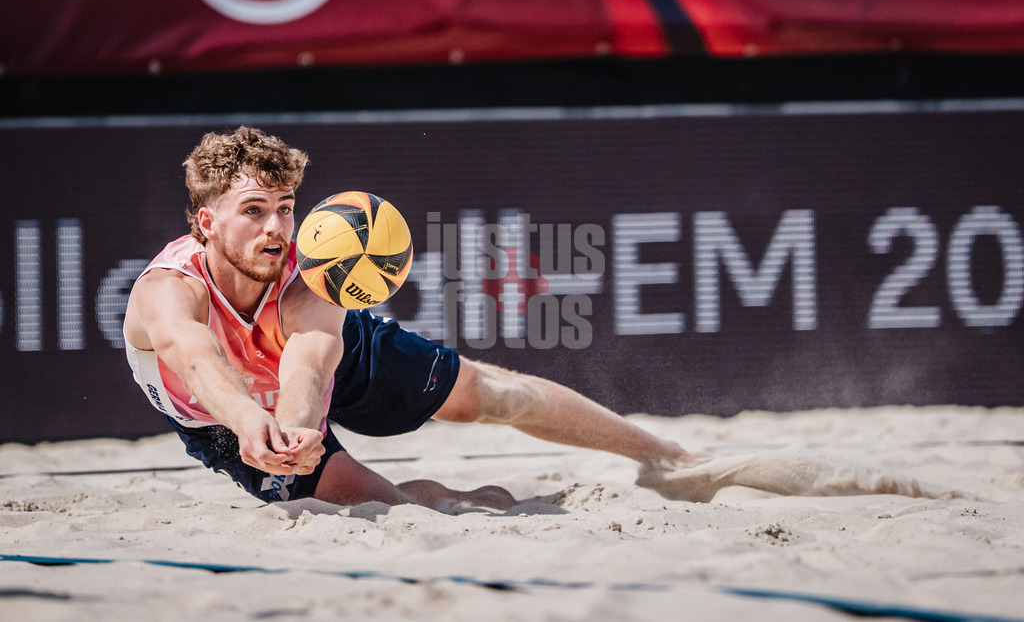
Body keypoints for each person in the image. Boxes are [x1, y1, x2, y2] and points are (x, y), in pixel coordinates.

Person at [123, 126, 709, 513]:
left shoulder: (312, 273)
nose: (276, 228)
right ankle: (474, 499)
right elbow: (197, 359)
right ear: (206, 223)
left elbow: (310, 357)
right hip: (222, 420)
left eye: (285, 209)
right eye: (253, 211)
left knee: (495, 394)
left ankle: (669, 457)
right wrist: (254, 425)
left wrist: (297, 431)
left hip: (303, 383)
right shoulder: (166, 290)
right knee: (388, 507)